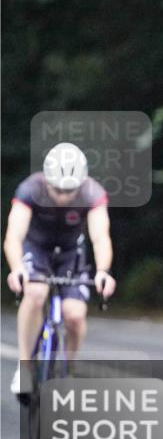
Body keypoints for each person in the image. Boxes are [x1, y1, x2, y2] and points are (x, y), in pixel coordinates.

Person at [5, 142, 117, 397]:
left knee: (75, 316)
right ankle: (25, 367)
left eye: (70, 190)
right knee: (34, 294)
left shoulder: (92, 192)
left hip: (70, 253)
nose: (63, 196)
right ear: (46, 180)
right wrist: (17, 268)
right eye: (57, 189)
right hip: (37, 248)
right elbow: (14, 236)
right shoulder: (30, 189)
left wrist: (103, 271)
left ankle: (69, 369)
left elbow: (100, 237)